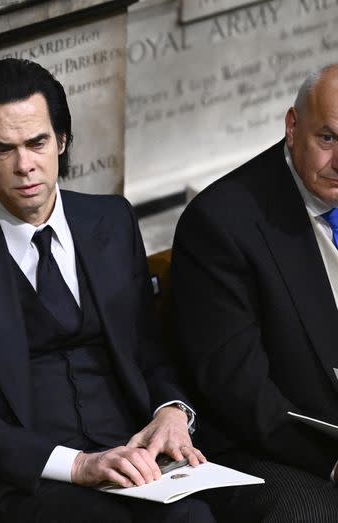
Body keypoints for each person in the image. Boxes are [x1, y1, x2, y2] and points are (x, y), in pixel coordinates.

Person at [0, 58, 213, 523]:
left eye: (37, 143)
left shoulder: (111, 220)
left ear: (61, 141)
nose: (25, 165)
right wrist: (79, 465)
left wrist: (172, 411)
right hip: (27, 479)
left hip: (135, 454)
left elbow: (149, 349)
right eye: (3, 149)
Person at [171, 64, 338, 520]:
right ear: (292, 126)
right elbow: (239, 391)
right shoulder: (222, 223)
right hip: (276, 447)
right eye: (328, 138)